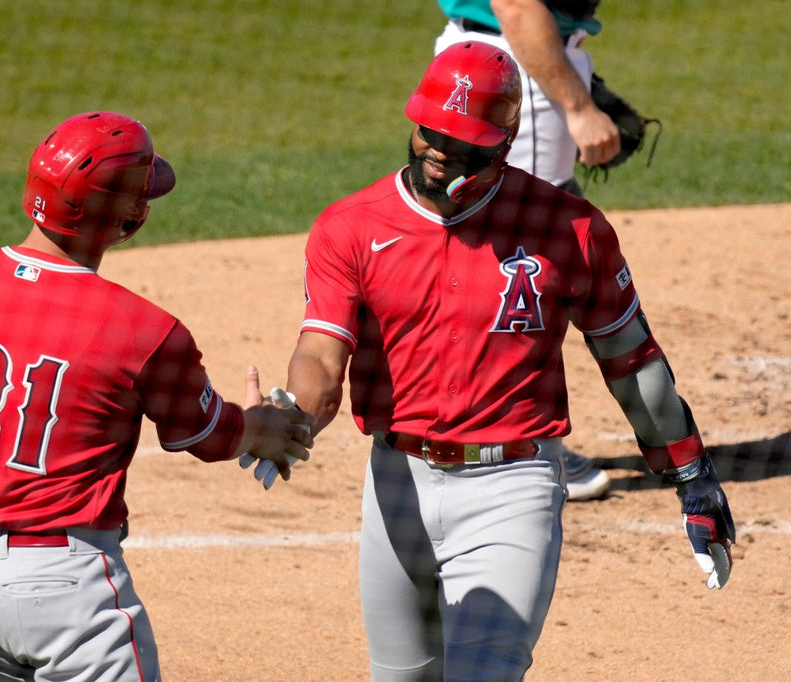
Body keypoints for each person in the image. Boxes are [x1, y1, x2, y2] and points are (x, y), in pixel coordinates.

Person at [282, 43, 735, 680]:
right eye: (430, 133)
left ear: (504, 144)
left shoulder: (567, 228)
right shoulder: (351, 227)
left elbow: (630, 359)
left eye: (463, 143)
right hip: (395, 482)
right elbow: (321, 358)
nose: (439, 152)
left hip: (510, 490)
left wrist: (692, 475)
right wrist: (292, 416)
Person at [0, 111, 314, 682]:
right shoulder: (144, 330)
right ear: (129, 216)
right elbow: (207, 436)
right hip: (69, 596)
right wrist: (263, 426)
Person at [434, 0, 622, 500]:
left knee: (495, 249)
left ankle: (479, 430)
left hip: (508, 59)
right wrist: (578, 106)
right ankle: (524, 441)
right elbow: (515, 4)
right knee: (527, 266)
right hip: (516, 63)